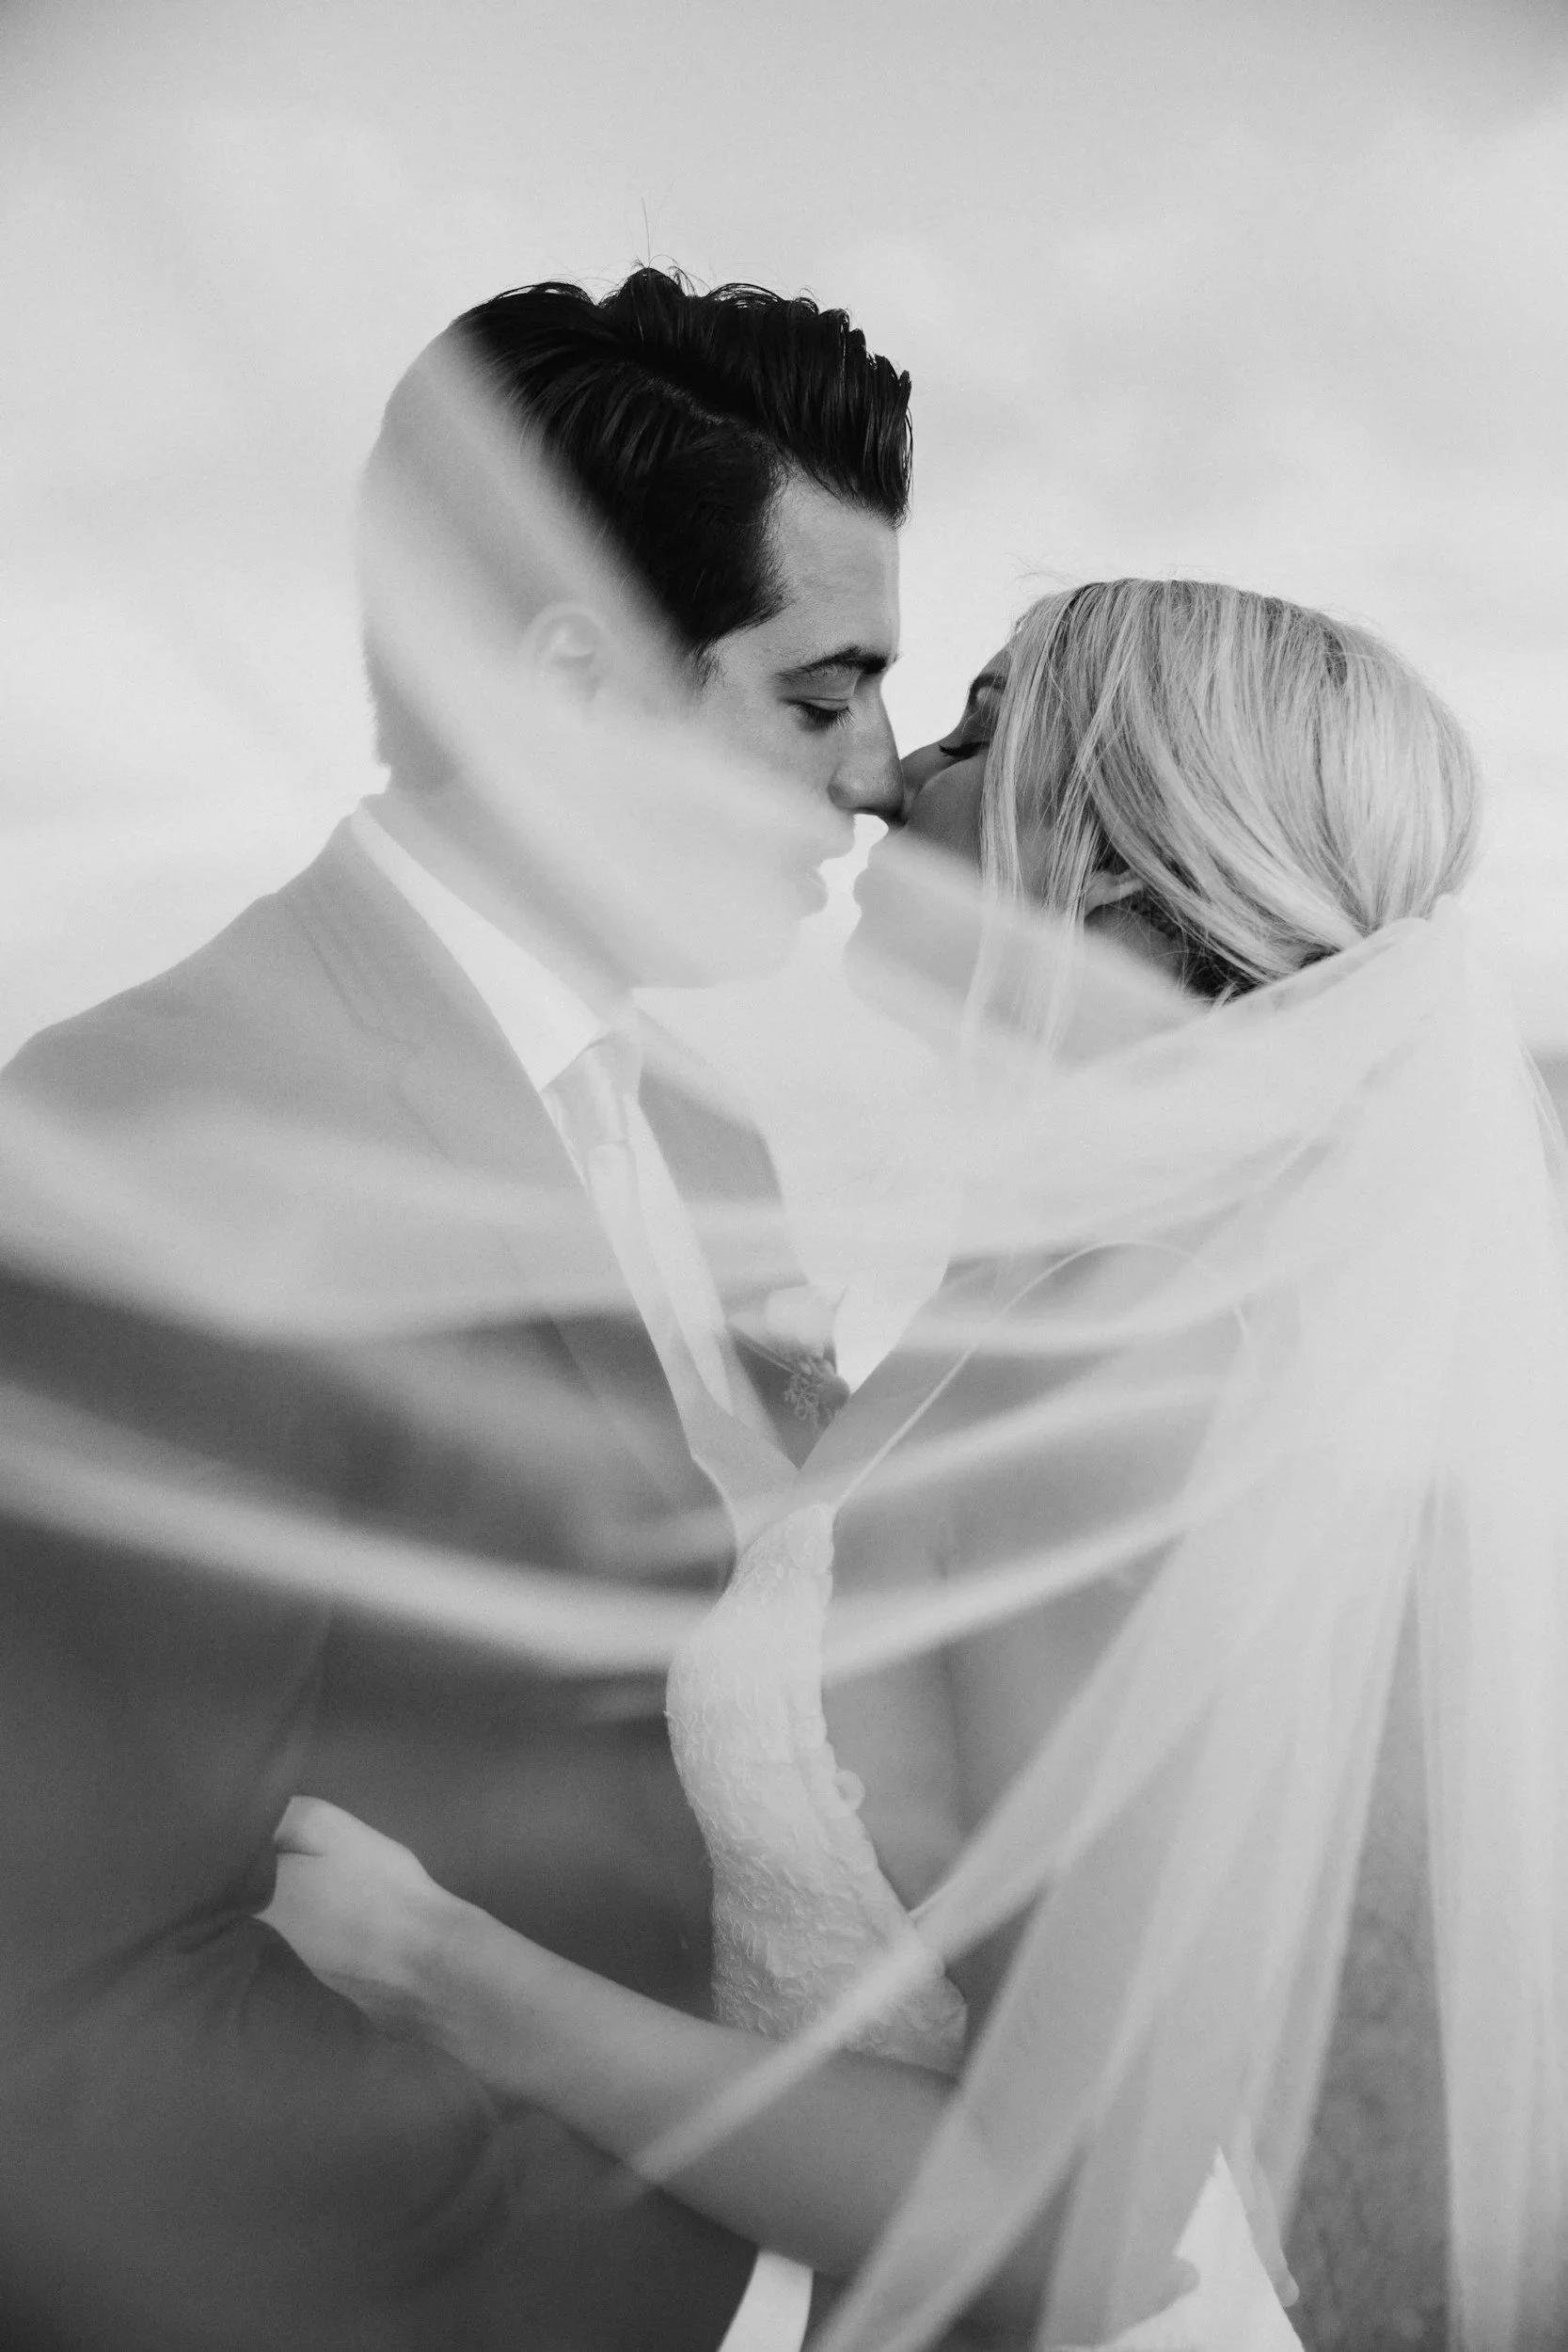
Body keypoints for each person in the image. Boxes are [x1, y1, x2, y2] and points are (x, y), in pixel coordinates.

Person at [263, 577, 1568, 2350]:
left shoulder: (1124, 1383)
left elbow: (1072, 2228)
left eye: (968, 729)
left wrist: (440, 1970)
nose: (887, 782)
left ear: (1095, 856)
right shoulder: (1018, 1295)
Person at [0, 265, 911, 2352]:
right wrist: (715, 2252)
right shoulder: (174, 1131)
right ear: (574, 679)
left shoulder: (702, 1130)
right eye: (814, 688)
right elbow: (59, 2019)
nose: (873, 773)